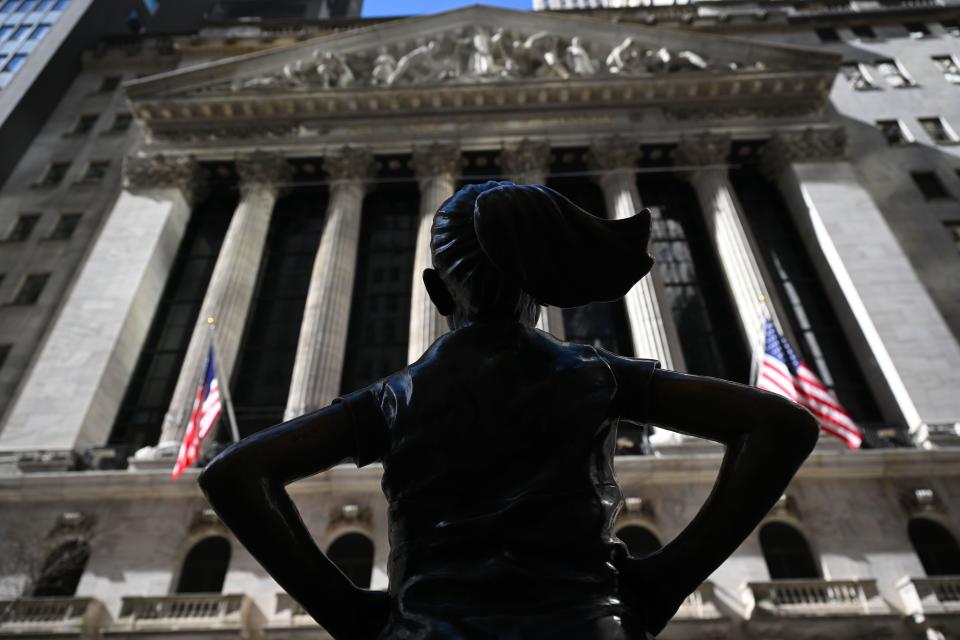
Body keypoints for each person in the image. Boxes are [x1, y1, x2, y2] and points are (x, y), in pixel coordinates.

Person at [199, 182, 819, 639]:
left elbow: (233, 473)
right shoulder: (596, 376)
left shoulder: (396, 398)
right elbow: (781, 423)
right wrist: (666, 578)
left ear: (437, 292)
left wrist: (348, 611)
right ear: (543, 289)